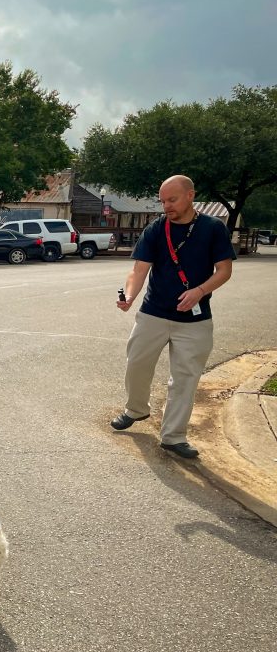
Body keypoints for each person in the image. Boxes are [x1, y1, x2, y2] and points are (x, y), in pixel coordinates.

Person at [111, 175, 234, 459]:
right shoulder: (156, 229)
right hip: (153, 312)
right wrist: (130, 296)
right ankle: (136, 410)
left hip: (195, 320)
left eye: (172, 200)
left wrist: (200, 291)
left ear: (190, 195)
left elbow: (224, 271)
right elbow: (139, 270)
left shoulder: (213, 229)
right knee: (137, 364)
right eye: (163, 200)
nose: (166, 206)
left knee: (185, 379)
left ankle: (173, 436)